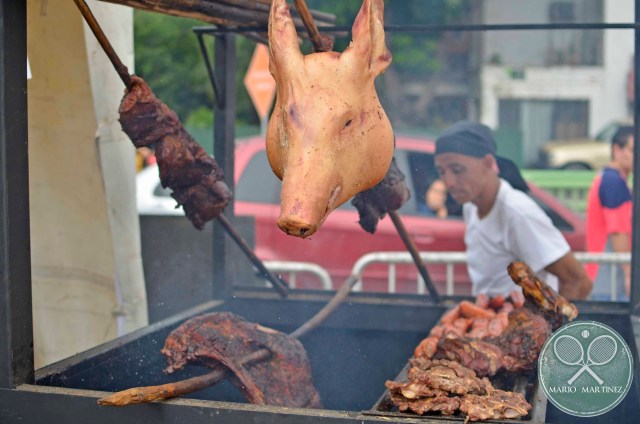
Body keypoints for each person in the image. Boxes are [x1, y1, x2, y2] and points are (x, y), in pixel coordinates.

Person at [433, 121, 592, 299]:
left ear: (488, 163)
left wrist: (553, 326)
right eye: (441, 172)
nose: (449, 182)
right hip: (492, 318)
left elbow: (578, 281)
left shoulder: (517, 213)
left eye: (457, 170)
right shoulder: (470, 206)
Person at [585, 126, 634, 301]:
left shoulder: (608, 178)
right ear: (616, 150)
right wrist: (629, 274)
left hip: (605, 277)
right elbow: (618, 231)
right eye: (632, 150)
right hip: (609, 279)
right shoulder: (614, 182)